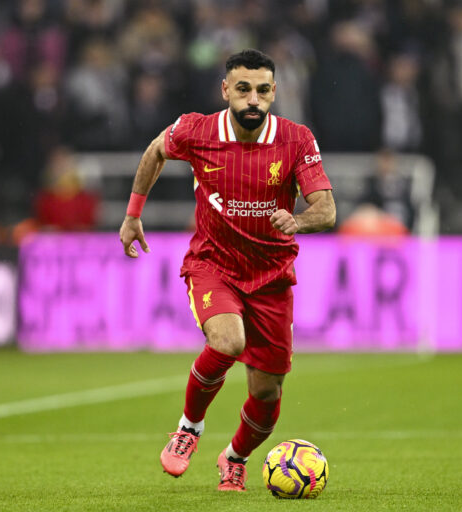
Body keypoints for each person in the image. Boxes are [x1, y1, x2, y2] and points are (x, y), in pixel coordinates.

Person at [118, 49, 336, 492]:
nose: (252, 99)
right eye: (243, 89)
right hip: (213, 264)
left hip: (272, 276)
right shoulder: (197, 130)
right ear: (226, 91)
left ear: (274, 92)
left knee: (267, 393)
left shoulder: (296, 139)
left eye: (261, 90)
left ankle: (234, 457)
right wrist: (132, 214)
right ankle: (189, 428)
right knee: (228, 340)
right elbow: (156, 150)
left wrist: (299, 220)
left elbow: (327, 210)